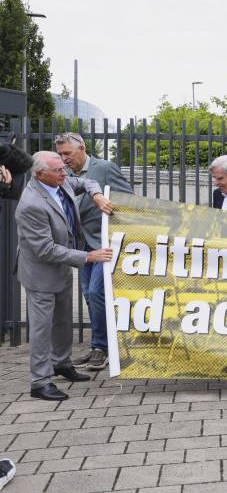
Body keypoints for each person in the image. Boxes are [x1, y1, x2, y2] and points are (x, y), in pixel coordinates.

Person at [15, 152, 113, 401]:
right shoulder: (31, 205)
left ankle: (61, 363)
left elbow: (87, 181)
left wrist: (96, 194)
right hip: (40, 272)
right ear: (39, 174)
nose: (64, 173)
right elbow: (45, 249)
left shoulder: (61, 182)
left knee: (63, 320)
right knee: (41, 328)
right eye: (58, 170)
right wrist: (88, 256)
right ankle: (40, 382)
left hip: (61, 266)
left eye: (63, 168)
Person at [55, 132, 134, 371]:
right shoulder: (65, 174)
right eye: (60, 154)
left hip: (105, 243)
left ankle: (102, 347)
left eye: (67, 153)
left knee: (96, 292)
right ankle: (100, 345)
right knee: (90, 297)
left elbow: (128, 200)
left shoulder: (105, 168)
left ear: (82, 148)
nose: (64, 159)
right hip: (82, 246)